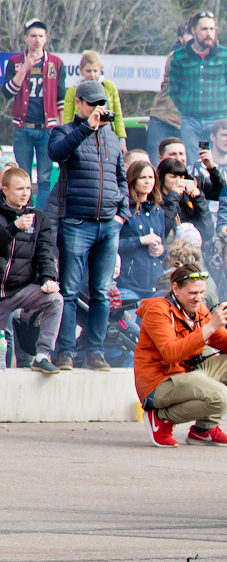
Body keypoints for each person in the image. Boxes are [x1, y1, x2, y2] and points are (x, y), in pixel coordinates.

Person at [45, 79, 126, 371]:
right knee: (68, 291)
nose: (98, 108)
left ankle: (95, 352)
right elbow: (57, 154)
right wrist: (86, 127)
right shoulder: (65, 131)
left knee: (101, 293)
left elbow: (122, 178)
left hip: (108, 225)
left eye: (102, 103)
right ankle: (65, 352)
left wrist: (122, 214)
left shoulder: (112, 137)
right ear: (78, 103)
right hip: (76, 223)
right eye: (92, 103)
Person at [134, 261, 227, 447]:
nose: (198, 299)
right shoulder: (158, 310)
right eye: (193, 293)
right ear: (176, 288)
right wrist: (211, 327)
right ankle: (160, 417)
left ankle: (204, 430)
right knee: (221, 397)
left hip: (186, 375)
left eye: (201, 293)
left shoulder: (199, 310)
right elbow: (171, 353)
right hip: (159, 384)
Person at [0, 166, 63, 373]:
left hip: (19, 291)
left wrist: (48, 279)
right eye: (19, 189)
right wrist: (13, 228)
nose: (26, 193)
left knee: (55, 299)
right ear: (5, 190)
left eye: (28, 188)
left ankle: (42, 355)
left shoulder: (39, 218)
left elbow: (46, 252)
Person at [3, 20, 67, 204]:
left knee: (45, 178)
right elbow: (8, 92)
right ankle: (25, 212)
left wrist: (62, 128)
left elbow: (60, 96)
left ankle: (41, 218)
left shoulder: (56, 62)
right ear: (26, 38)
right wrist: (24, 68)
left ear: (46, 38)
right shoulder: (15, 62)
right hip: (23, 127)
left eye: (40, 36)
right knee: (23, 177)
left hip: (47, 128)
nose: (37, 40)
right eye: (33, 36)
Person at [168, 12, 227, 169]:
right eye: (204, 29)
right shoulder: (180, 56)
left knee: (220, 164)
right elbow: (174, 89)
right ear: (194, 30)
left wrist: (220, 106)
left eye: (212, 29)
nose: (209, 33)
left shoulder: (225, 55)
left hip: (218, 120)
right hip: (190, 121)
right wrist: (187, 108)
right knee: (192, 166)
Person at [143, 17, 195, 167]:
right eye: (190, 34)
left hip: (187, 124)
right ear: (181, 38)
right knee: (155, 166)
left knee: (188, 169)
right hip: (163, 120)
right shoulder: (176, 57)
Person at [118, 160, 166, 302]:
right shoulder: (123, 209)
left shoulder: (158, 211)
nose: (147, 182)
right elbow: (112, 244)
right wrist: (140, 240)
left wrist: (162, 250)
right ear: (133, 180)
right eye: (142, 178)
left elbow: (163, 245)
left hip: (154, 286)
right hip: (128, 284)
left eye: (150, 178)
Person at [63, 51, 126, 150]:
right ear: (81, 70)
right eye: (88, 71)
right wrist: (67, 139)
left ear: (100, 70)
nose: (92, 75)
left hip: (106, 134)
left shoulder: (109, 87)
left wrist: (121, 140)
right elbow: (67, 118)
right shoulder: (73, 91)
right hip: (82, 134)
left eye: (95, 71)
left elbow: (117, 115)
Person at [156, 159, 214, 247]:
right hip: (168, 253)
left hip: (191, 253)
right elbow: (162, 231)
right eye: (173, 177)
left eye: (182, 177)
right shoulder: (155, 201)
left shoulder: (187, 199)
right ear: (162, 177)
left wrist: (199, 199)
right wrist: (173, 197)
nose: (179, 181)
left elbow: (207, 232)